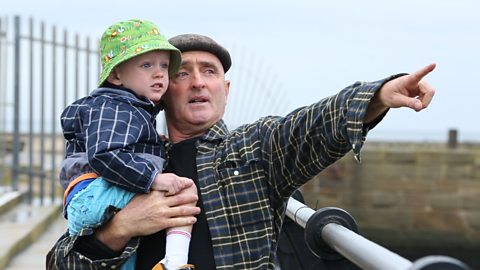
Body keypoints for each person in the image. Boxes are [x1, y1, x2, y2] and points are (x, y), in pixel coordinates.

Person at [47, 33, 436, 269]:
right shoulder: (128, 164)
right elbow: (60, 262)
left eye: (211, 71)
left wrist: (378, 95)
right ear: (161, 89)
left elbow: (310, 126)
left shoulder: (253, 149)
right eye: (182, 73)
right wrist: (121, 228)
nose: (198, 81)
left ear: (226, 90)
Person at [58, 19, 197, 270]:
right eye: (146, 65)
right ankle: (175, 263)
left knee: (125, 260)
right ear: (116, 74)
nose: (159, 73)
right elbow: (104, 153)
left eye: (164, 66)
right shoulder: (115, 107)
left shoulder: (128, 109)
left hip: (93, 195)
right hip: (94, 193)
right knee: (183, 192)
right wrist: (153, 178)